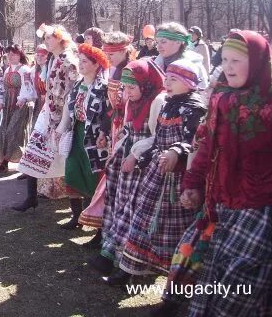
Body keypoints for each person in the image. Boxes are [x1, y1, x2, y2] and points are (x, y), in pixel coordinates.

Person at [155, 31, 272, 317]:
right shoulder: (221, 98)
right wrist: (192, 184)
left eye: (237, 60)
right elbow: (206, 145)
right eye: (225, 60)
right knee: (211, 271)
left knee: (242, 282)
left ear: (259, 61)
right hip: (221, 202)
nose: (229, 66)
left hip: (261, 208)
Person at [109, 58, 207, 286]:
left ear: (189, 83)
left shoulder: (194, 108)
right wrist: (143, 157)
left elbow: (191, 142)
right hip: (156, 172)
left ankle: (172, 279)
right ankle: (130, 271)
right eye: (167, 78)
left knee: (170, 227)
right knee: (141, 220)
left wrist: (175, 152)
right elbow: (158, 138)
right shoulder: (167, 103)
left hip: (176, 177)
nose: (168, 82)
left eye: (174, 79)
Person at [87, 59, 166, 277]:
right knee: (121, 206)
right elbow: (130, 130)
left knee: (134, 210)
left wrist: (134, 154)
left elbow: (157, 137)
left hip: (144, 164)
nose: (127, 92)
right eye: (125, 87)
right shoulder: (134, 101)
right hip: (128, 160)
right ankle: (113, 256)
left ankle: (127, 265)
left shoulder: (158, 101)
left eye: (132, 87)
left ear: (146, 84)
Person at [14, 24, 79, 212]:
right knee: (33, 151)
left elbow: (74, 90)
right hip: (49, 112)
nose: (46, 42)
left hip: (63, 116)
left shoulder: (69, 58)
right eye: (44, 39)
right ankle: (31, 197)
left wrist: (65, 119)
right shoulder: (54, 58)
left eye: (49, 38)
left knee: (68, 159)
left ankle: (77, 211)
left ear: (60, 38)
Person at [79, 32, 134, 247]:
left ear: (124, 50)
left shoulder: (132, 70)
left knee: (120, 183)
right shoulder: (113, 70)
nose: (108, 57)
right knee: (110, 179)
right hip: (114, 128)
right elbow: (111, 107)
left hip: (129, 131)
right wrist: (103, 130)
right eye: (106, 52)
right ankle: (105, 232)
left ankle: (116, 237)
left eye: (113, 53)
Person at [60, 43, 111, 232]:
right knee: (72, 172)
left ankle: (97, 224)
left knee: (93, 177)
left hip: (93, 137)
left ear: (96, 64)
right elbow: (70, 109)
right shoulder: (78, 85)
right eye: (79, 61)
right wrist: (61, 129)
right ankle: (76, 217)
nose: (80, 65)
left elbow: (108, 113)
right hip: (77, 132)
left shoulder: (103, 87)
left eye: (84, 61)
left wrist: (104, 133)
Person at [0, 44, 35, 173]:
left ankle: (7, 161)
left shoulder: (25, 70)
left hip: (20, 105)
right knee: (4, 130)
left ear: (20, 55)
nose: (11, 57)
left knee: (13, 131)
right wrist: (0, 102)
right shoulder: (7, 70)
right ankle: (3, 159)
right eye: (9, 54)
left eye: (14, 54)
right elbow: (3, 88)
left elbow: (27, 87)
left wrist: (23, 98)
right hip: (8, 104)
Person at [154, 23, 209, 91]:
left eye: (163, 42)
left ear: (178, 42)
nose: (158, 47)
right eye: (157, 42)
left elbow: (201, 95)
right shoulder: (155, 65)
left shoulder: (193, 67)